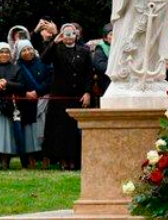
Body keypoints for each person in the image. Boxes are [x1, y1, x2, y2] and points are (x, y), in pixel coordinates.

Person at [41, 24, 92, 170]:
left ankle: (74, 159)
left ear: (77, 35)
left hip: (78, 95)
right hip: (60, 96)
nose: (69, 36)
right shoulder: (56, 48)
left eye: (72, 33)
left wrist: (87, 92)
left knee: (74, 129)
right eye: (66, 33)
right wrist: (55, 41)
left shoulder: (84, 51)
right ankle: (62, 159)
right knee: (61, 129)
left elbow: (88, 73)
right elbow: (44, 60)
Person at [15, 40, 51, 169]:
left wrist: (38, 91)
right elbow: (16, 83)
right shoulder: (17, 66)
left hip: (43, 101)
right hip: (26, 103)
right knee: (29, 132)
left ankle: (46, 158)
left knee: (45, 130)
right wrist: (26, 93)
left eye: (29, 49)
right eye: (23, 50)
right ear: (19, 53)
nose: (27, 52)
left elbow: (50, 79)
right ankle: (31, 160)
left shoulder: (43, 62)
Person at [0, 43, 24, 169]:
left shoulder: (16, 68)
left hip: (8, 106)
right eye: (1, 52)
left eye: (6, 52)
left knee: (6, 135)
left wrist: (7, 83)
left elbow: (21, 86)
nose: (4, 54)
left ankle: (5, 161)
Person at [92, 24, 113, 97]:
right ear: (106, 38)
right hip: (107, 81)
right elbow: (101, 67)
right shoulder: (100, 48)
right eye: (111, 34)